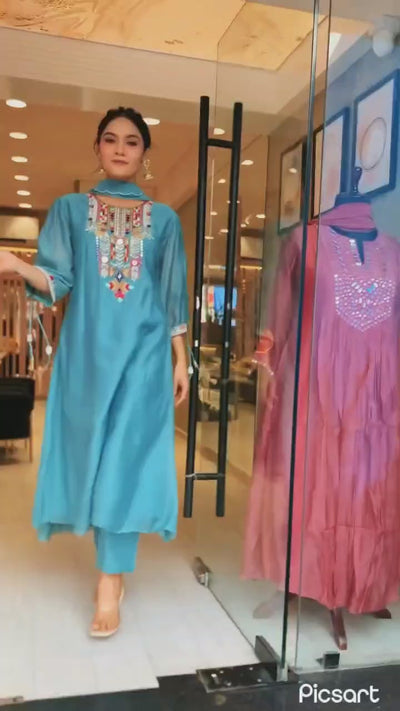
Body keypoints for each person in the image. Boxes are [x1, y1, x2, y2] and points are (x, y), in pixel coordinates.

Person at [0, 107, 190, 638]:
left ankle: (110, 581)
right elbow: (57, 279)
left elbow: (172, 293)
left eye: (132, 141)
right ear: (97, 148)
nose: (121, 148)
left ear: (145, 153)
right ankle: (110, 569)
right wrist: (17, 266)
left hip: (145, 358)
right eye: (111, 139)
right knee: (93, 459)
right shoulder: (69, 210)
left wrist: (181, 359)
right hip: (87, 358)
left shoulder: (165, 220)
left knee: (125, 463)